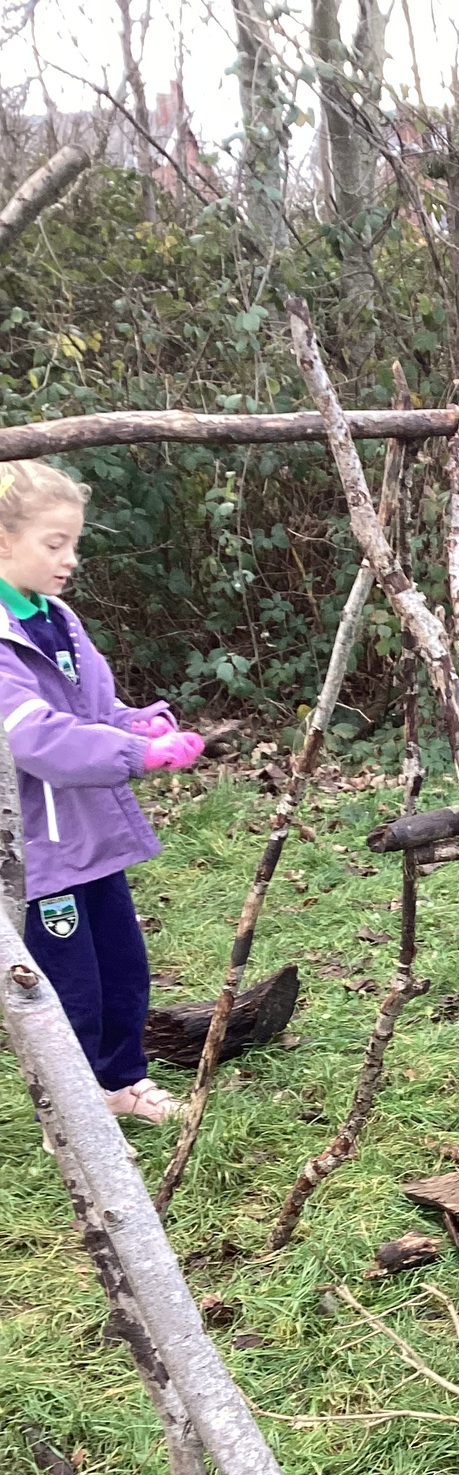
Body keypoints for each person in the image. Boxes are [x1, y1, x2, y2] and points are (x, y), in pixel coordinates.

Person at [0, 458, 204, 1124]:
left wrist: (137, 724)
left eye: (74, 544)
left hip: (90, 833)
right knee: (69, 984)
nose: (70, 559)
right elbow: (35, 738)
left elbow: (91, 709)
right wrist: (133, 754)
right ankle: (74, 1111)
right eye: (54, 544)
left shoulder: (56, 617)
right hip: (40, 848)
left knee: (122, 965)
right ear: (3, 540)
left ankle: (122, 1082)